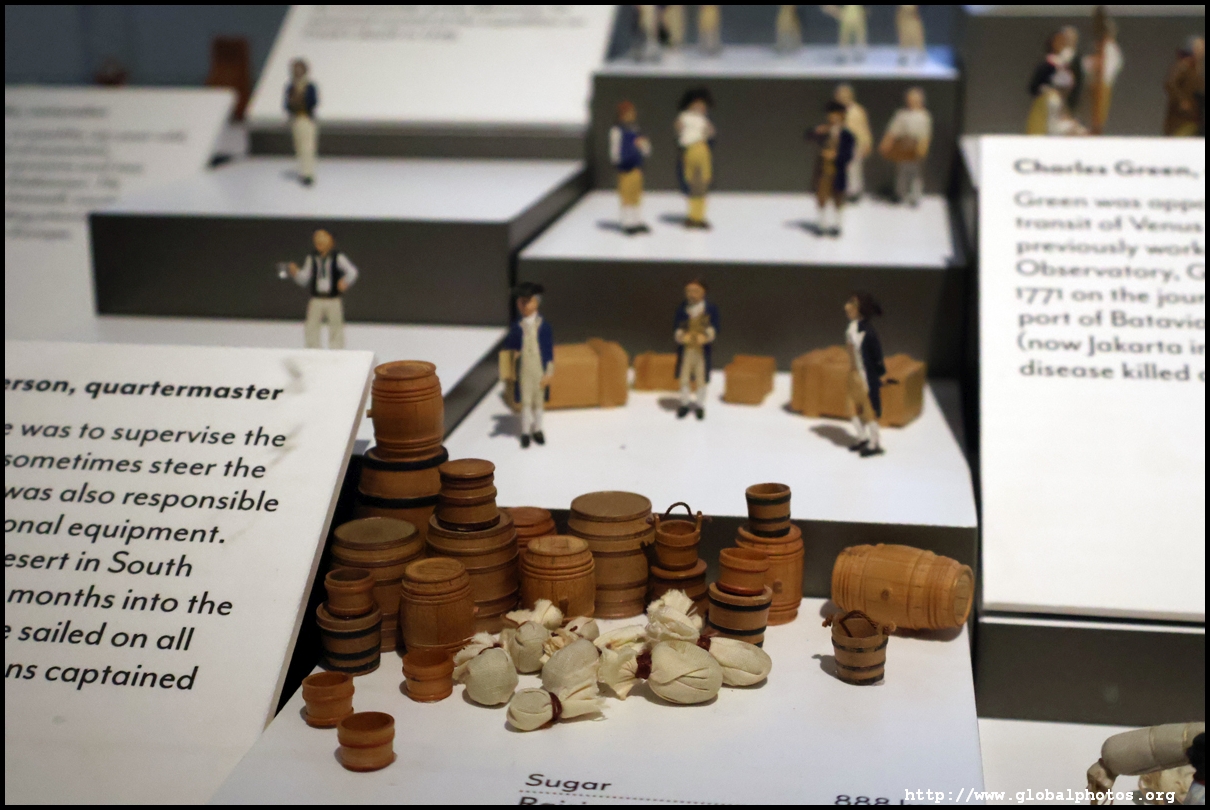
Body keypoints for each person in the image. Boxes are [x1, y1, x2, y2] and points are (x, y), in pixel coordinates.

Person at [502, 283, 554, 449]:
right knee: (525, 403)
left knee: (538, 403)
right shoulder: (517, 326)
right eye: (521, 301)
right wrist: (508, 366)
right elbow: (509, 347)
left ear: (537, 302)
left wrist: (549, 372)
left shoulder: (544, 327)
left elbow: (549, 351)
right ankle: (525, 432)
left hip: (539, 369)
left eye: (528, 301)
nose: (524, 305)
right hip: (524, 370)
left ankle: (537, 429)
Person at [287, 229, 358, 349]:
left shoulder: (337, 257)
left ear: (331, 240)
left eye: (323, 237)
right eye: (316, 238)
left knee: (336, 325)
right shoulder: (312, 258)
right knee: (311, 326)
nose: (319, 241)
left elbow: (352, 271)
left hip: (333, 298)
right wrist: (296, 273)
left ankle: (336, 350)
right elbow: (305, 279)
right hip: (317, 298)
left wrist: (345, 282)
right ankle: (313, 349)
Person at [844, 292, 885, 457]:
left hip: (864, 376)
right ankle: (862, 437)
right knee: (851, 408)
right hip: (853, 374)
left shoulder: (868, 332)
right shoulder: (851, 328)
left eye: (852, 304)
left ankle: (874, 443)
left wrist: (877, 374)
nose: (847, 307)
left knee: (868, 410)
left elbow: (877, 355)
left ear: (861, 309)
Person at [808, 100, 856, 237]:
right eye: (830, 115)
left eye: (836, 115)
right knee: (822, 197)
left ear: (842, 116)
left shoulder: (846, 135)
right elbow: (808, 136)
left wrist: (835, 155)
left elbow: (849, 154)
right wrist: (817, 131)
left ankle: (837, 225)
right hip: (823, 171)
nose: (832, 118)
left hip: (838, 171)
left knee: (838, 199)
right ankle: (822, 225)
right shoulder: (824, 131)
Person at [1026, 31, 1087, 135]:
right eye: (1059, 41)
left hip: (1060, 107)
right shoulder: (1048, 65)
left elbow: (1069, 87)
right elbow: (1034, 87)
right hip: (1047, 105)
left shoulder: (1066, 65)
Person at [879, 87, 932, 207]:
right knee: (901, 171)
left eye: (915, 99)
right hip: (902, 145)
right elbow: (893, 130)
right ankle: (900, 194)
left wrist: (923, 147)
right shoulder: (902, 114)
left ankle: (915, 196)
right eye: (910, 99)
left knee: (915, 173)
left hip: (916, 146)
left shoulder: (924, 116)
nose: (912, 102)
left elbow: (926, 135)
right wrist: (887, 142)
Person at [675, 88, 716, 229]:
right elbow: (679, 128)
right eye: (696, 104)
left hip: (702, 151)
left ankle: (699, 216)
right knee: (693, 186)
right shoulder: (685, 117)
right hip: (691, 151)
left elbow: (710, 133)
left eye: (702, 105)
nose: (700, 107)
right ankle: (693, 216)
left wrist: (709, 131)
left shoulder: (704, 120)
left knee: (702, 186)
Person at [609, 101, 652, 235]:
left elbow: (646, 149)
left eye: (632, 113)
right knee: (627, 196)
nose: (630, 116)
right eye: (627, 113)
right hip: (625, 168)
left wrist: (644, 146)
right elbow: (615, 149)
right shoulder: (617, 131)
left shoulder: (636, 130)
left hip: (636, 167)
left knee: (636, 195)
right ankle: (627, 223)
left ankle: (636, 221)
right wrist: (618, 161)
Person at [1084, 8, 1124, 134]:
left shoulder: (1110, 48)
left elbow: (1106, 68)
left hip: (1102, 84)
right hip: (1096, 83)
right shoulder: (1101, 47)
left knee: (1098, 116)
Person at [834, 84, 872, 202]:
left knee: (854, 168)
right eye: (840, 96)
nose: (843, 98)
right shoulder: (836, 111)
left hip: (855, 143)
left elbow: (864, 128)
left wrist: (867, 144)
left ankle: (854, 193)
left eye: (845, 95)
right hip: (841, 143)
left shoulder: (858, 110)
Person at [284, 58, 318, 186]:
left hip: (306, 118)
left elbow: (313, 102)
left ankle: (308, 174)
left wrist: (302, 100)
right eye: (295, 69)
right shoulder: (291, 87)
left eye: (300, 69)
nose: (297, 72)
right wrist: (292, 104)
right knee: (299, 146)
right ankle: (303, 171)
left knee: (307, 146)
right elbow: (287, 104)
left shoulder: (309, 86)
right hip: (296, 119)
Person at [1164, 36, 1205, 136]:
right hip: (1182, 119)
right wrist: (1182, 100)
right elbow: (1170, 83)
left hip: (1195, 116)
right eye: (1200, 48)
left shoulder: (1196, 67)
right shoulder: (1184, 65)